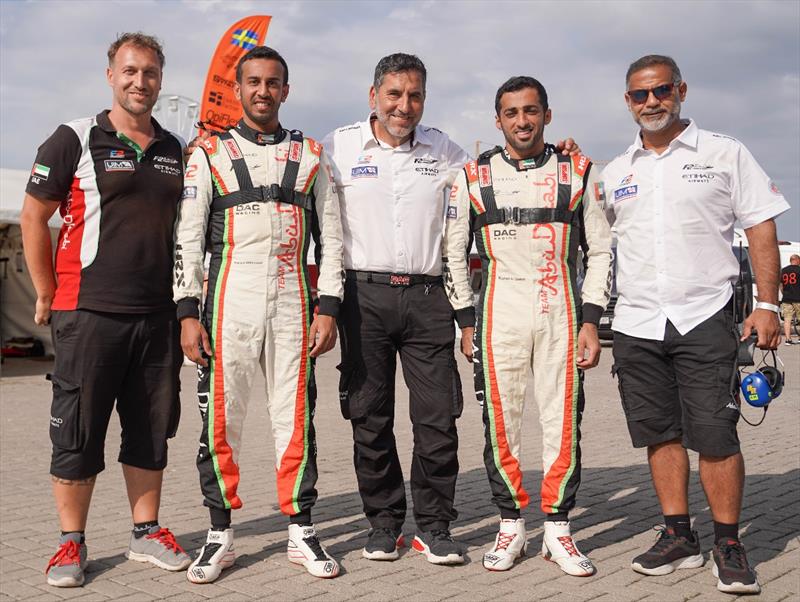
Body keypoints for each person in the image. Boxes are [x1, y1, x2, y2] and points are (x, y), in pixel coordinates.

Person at [323, 54, 581, 565]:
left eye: (414, 95)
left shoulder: (446, 151)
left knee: (437, 420)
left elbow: (507, 165)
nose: (404, 105)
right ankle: (384, 524)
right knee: (369, 417)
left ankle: (435, 527)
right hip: (363, 296)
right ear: (373, 94)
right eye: (394, 94)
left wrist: (559, 153)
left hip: (427, 299)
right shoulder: (336, 146)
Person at [602, 55, 789, 595]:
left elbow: (760, 226)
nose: (652, 102)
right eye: (640, 95)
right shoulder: (617, 172)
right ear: (628, 101)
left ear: (681, 90)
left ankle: (728, 542)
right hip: (636, 322)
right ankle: (677, 534)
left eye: (661, 90)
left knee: (715, 434)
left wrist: (769, 306)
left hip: (704, 316)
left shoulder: (725, 153)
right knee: (658, 434)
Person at [20, 33, 191, 588]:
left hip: (156, 315)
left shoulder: (173, 148)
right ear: (110, 75)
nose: (140, 82)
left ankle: (146, 533)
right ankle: (71, 544)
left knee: (151, 430)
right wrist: (46, 290)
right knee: (77, 431)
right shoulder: (73, 137)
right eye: (130, 71)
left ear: (161, 81)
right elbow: (33, 217)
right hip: (88, 312)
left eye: (150, 73)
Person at [173, 46, 344, 583]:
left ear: (285, 90)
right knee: (222, 418)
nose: (263, 91)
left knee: (294, 418)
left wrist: (330, 306)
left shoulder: (312, 154)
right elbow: (187, 236)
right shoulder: (207, 153)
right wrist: (186, 313)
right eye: (253, 82)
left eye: (273, 82)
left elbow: (333, 238)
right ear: (239, 88)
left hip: (294, 300)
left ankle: (301, 529)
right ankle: (220, 532)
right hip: (229, 298)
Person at [442, 76, 612, 575]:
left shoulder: (579, 171)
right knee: (501, 423)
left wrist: (592, 319)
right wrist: (465, 322)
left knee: (563, 422)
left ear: (547, 115)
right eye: (512, 113)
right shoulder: (472, 177)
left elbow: (601, 250)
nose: (522, 121)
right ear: (498, 120)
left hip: (560, 309)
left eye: (531, 111)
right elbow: (453, 253)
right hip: (499, 312)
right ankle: (510, 525)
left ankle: (558, 529)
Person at [780, 254, 800, 345]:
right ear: (797, 260)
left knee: (787, 319)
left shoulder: (783, 271)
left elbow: (780, 285)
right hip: (798, 298)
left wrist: (784, 293)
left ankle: (788, 339)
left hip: (786, 298)